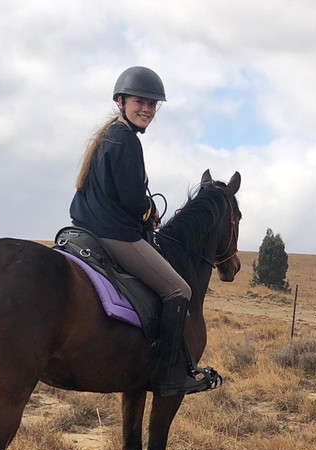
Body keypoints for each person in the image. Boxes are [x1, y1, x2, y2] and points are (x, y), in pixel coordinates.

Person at [70, 65, 220, 397]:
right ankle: (170, 376)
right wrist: (150, 214)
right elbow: (131, 199)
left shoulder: (108, 135)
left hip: (87, 229)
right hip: (115, 234)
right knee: (179, 290)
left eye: (153, 104)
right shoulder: (125, 141)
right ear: (121, 100)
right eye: (141, 101)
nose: (147, 110)